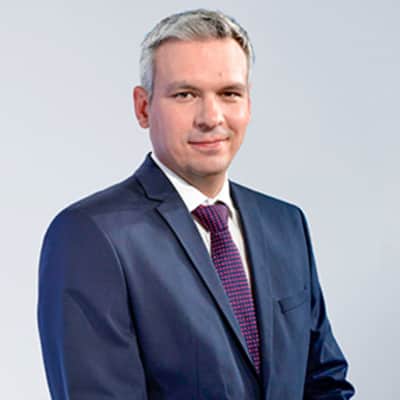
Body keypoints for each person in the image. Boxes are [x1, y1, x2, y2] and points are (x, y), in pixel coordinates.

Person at [38, 9, 355, 400]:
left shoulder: (285, 224)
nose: (211, 117)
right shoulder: (90, 236)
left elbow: (325, 383)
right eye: (185, 94)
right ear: (143, 107)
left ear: (248, 104)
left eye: (229, 93)